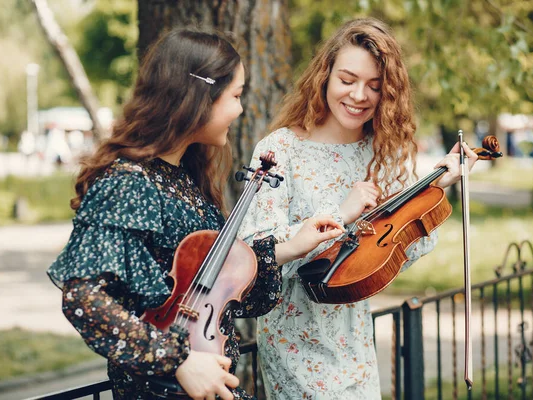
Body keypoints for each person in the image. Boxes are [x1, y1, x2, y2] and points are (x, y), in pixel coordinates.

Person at [47, 28, 344, 400]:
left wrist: (289, 248)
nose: (240, 109)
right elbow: (83, 298)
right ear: (199, 98)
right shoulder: (128, 184)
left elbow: (219, 299)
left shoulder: (186, 180)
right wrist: (178, 360)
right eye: (235, 96)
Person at [239, 17, 478, 399]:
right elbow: (254, 253)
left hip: (356, 341)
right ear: (325, 75)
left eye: (374, 86)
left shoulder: (382, 152)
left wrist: (432, 191)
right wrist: (341, 211)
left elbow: (396, 254)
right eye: (347, 80)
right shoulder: (281, 149)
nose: (359, 95)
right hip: (294, 341)